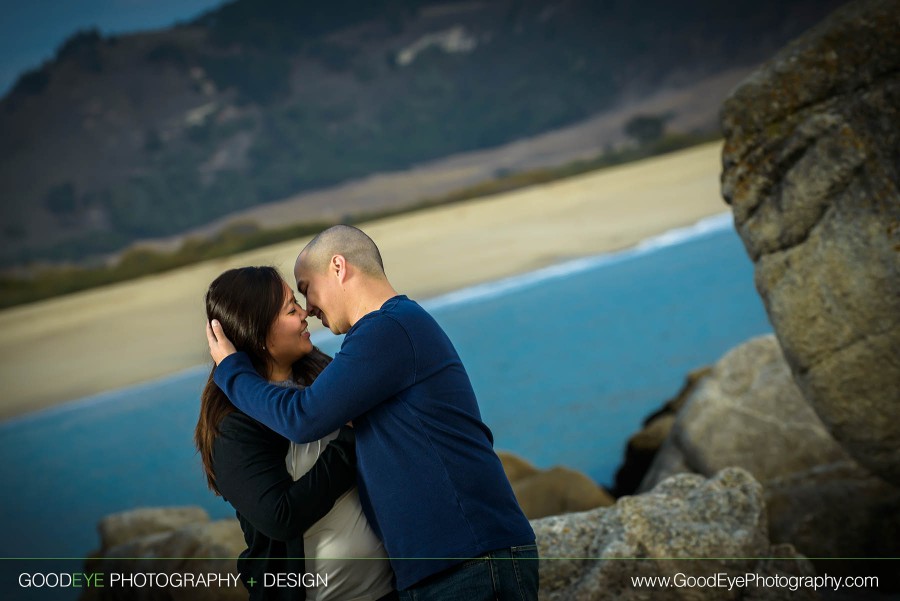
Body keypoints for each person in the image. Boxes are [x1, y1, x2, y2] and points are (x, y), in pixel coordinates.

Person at [206, 226, 539, 601]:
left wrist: (231, 371)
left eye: (306, 289)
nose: (309, 309)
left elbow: (303, 418)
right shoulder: (387, 333)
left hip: (466, 559)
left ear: (338, 267)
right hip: (446, 564)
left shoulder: (387, 330)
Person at [195, 266, 396, 601]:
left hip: (391, 591)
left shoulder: (326, 377)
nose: (306, 314)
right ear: (257, 332)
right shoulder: (233, 425)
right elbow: (280, 516)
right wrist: (347, 443)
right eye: (291, 309)